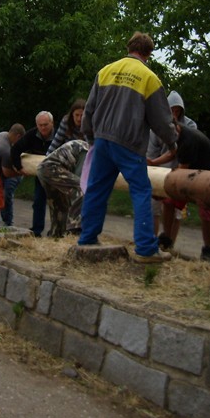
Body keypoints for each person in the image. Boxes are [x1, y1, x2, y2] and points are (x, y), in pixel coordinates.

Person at [77, 31, 177, 263]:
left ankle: (87, 239)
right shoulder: (149, 78)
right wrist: (172, 143)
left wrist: (91, 137)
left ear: (129, 47)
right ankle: (145, 248)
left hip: (102, 140)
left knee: (96, 188)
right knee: (141, 191)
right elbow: (161, 120)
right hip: (129, 143)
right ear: (148, 54)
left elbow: (89, 109)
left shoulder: (106, 70)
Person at [148, 123, 210, 260]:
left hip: (209, 176)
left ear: (175, 128)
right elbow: (172, 153)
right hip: (193, 175)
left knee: (205, 210)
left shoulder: (189, 140)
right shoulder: (178, 136)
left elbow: (181, 171)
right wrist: (154, 162)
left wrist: (161, 188)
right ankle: (166, 240)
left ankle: (208, 249)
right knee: (169, 202)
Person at [146, 90, 198, 251]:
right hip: (159, 169)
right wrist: (151, 167)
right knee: (154, 207)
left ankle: (169, 245)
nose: (174, 114)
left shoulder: (190, 126)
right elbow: (153, 153)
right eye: (171, 110)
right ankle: (152, 242)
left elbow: (179, 153)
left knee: (176, 210)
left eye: (177, 110)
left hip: (181, 169)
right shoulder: (156, 126)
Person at [11, 111, 55, 237]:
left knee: (57, 203)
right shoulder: (32, 134)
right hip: (40, 173)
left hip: (57, 174)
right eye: (40, 125)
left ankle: (57, 231)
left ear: (52, 123)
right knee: (38, 202)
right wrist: (19, 167)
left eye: (46, 124)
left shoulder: (59, 135)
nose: (43, 128)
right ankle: (36, 231)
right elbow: (15, 149)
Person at [37, 139, 90, 237]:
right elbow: (79, 178)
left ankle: (56, 236)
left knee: (60, 206)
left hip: (43, 170)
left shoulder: (83, 147)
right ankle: (74, 229)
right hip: (51, 169)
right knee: (81, 189)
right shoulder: (86, 152)